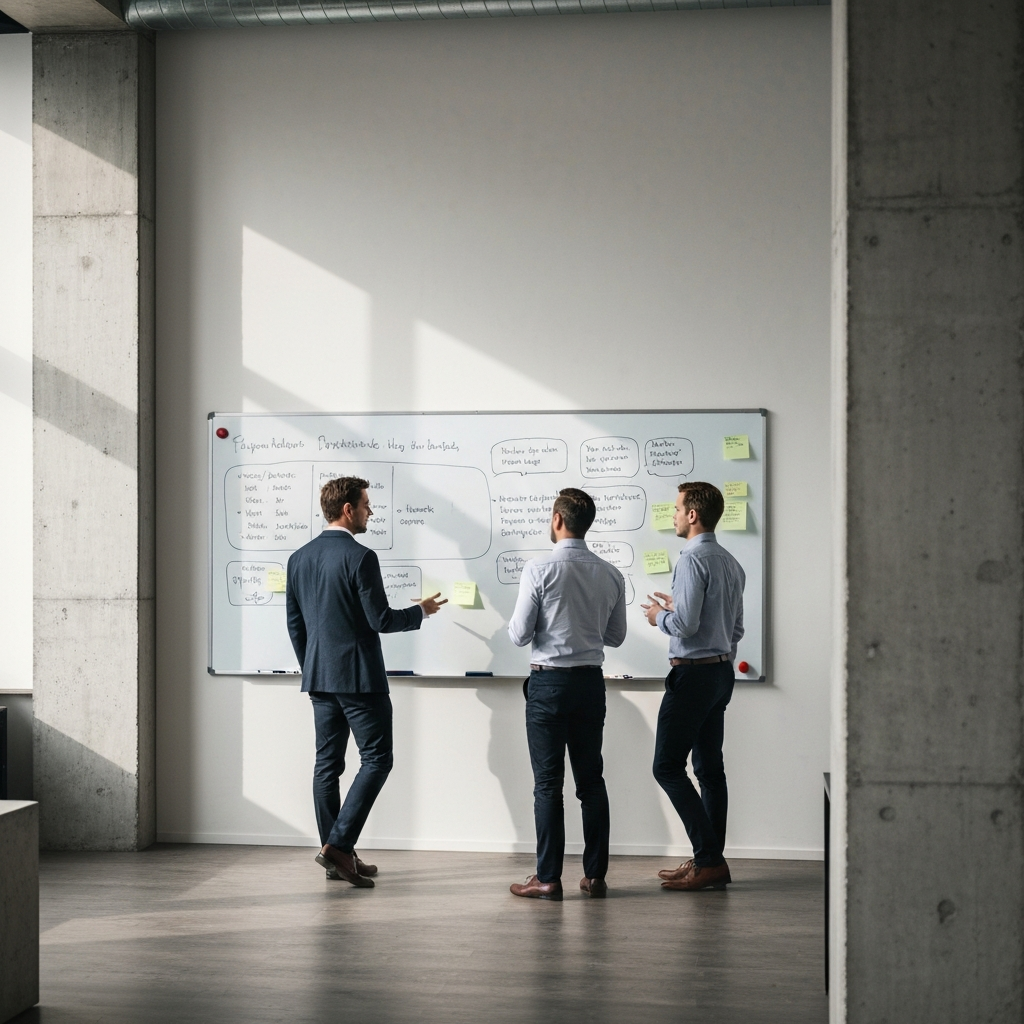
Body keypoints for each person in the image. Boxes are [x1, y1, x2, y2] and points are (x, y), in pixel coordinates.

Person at [286, 476, 447, 887]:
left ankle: (337, 852)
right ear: (347, 510)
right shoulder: (361, 557)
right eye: (366, 505)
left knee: (327, 766)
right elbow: (381, 620)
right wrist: (421, 612)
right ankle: (338, 848)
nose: (370, 512)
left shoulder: (298, 558)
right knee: (377, 759)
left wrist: (314, 666)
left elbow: (295, 624)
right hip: (359, 679)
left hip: (319, 678)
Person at [506, 488, 627, 901]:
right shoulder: (610, 573)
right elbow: (616, 636)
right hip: (591, 684)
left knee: (547, 784)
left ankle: (547, 878)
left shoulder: (539, 569)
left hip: (549, 685)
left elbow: (520, 634)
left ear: (558, 519)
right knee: (591, 781)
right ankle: (595, 877)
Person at [641, 481, 745, 891]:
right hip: (720, 673)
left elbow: (684, 625)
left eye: (676, 507)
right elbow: (734, 628)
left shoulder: (691, 560)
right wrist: (678, 610)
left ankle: (708, 860)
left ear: (693, 515)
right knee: (708, 769)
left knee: (666, 766)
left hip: (694, 675)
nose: (673, 514)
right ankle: (710, 862)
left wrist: (657, 616)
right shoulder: (731, 562)